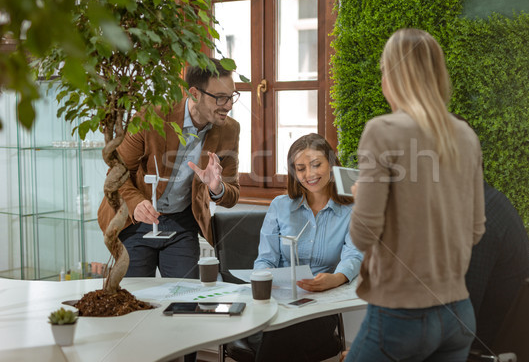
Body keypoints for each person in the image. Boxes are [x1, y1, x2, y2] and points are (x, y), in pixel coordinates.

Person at [345, 28, 486, 362]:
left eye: (383, 72)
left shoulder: (382, 131)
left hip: (400, 317)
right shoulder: (466, 136)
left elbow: (363, 236)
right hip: (458, 316)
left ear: (392, 77)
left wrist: (361, 194)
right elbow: (476, 230)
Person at [97, 58, 240, 280]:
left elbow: (232, 195)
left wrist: (217, 187)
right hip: (136, 221)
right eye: (221, 98)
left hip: (181, 223)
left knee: (185, 299)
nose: (229, 105)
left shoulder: (229, 130)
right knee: (134, 295)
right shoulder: (151, 117)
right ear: (194, 93)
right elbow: (117, 174)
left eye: (232, 97)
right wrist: (136, 205)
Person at [248, 133, 363, 361]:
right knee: (278, 331)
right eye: (300, 168)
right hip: (277, 302)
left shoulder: (352, 208)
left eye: (316, 165)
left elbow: (354, 254)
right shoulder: (280, 206)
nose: (309, 175)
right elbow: (265, 260)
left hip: (319, 306)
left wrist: (337, 277)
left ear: (331, 163)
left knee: (281, 335)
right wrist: (264, 278)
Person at [466, 180, 529, 352]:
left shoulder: (475, 221)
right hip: (505, 341)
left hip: (481, 348)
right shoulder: (489, 199)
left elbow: (457, 318)